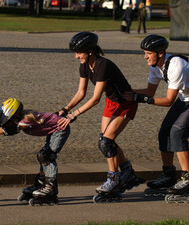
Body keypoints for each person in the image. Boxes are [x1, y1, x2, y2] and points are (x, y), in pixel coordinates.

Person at [123, 35, 189, 202]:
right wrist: (128, 92)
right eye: (145, 53)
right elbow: (149, 92)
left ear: (161, 53)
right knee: (164, 132)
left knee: (178, 132)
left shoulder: (175, 65)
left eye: (149, 53)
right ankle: (169, 175)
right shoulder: (155, 66)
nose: (145, 57)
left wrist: (140, 99)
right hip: (186, 97)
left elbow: (168, 100)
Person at [57, 32, 144, 203]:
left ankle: (114, 178)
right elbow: (81, 92)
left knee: (107, 141)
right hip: (111, 103)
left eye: (79, 53)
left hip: (125, 103)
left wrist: (74, 115)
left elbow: (95, 98)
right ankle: (127, 171)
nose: (76, 57)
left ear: (90, 51)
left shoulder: (103, 65)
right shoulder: (84, 65)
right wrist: (65, 108)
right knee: (104, 140)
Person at [0, 98, 70, 205]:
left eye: (7, 121)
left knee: (47, 156)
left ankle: (51, 187)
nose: (6, 123)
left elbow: (12, 130)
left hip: (60, 129)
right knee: (42, 156)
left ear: (14, 116)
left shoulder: (25, 120)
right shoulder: (20, 118)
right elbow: (2, 126)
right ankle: (41, 183)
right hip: (53, 130)